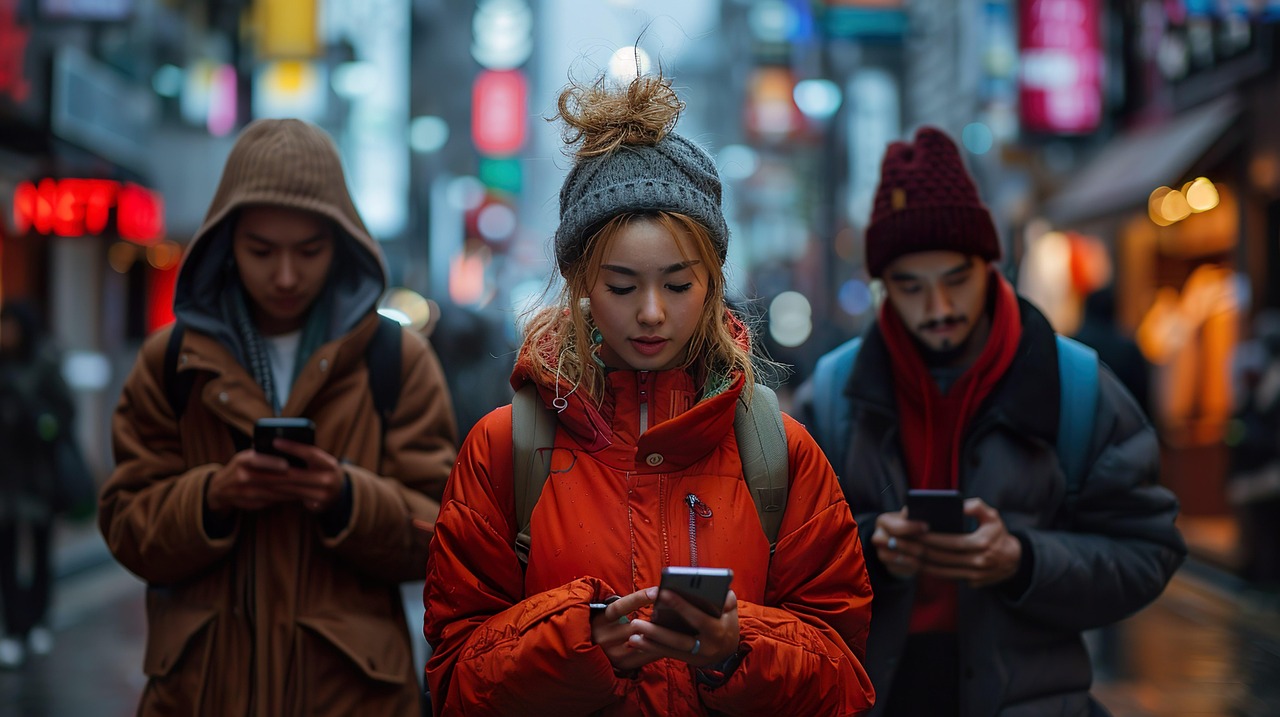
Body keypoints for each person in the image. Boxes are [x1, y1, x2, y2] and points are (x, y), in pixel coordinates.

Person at [423, 71, 876, 716]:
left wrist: (734, 649)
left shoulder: (777, 450)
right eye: (622, 286)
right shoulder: (506, 447)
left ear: (713, 283)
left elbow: (845, 678)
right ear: (581, 282)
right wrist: (582, 640)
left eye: (677, 284)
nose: (652, 313)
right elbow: (453, 680)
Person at [803, 127, 1186, 716]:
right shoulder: (833, 395)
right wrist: (869, 548)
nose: (940, 309)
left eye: (956, 279)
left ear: (989, 264)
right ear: (884, 288)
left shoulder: (1075, 386)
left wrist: (1023, 560)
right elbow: (781, 559)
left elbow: (1149, 550)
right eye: (911, 287)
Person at [99, 119, 458, 716]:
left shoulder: (396, 361)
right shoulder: (171, 361)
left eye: (309, 251)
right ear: (226, 244)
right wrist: (216, 495)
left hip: (353, 697)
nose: (286, 275)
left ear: (339, 246)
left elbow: (442, 536)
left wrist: (344, 495)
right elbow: (126, 523)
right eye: (261, 251)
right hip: (201, 692)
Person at [0, 299, 75, 669]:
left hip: (39, 476)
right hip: (6, 476)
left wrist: (39, 421)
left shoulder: (44, 363)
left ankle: (39, 620)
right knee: (8, 553)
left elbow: (65, 412)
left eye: (11, 326)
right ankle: (15, 628)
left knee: (40, 550)